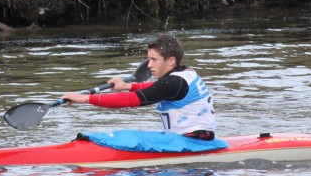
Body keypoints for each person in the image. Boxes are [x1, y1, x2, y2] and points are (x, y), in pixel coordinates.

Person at [62, 33, 216, 140]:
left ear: (171, 60)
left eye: (154, 60)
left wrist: (84, 98)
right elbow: (155, 87)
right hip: (193, 137)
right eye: (149, 59)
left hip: (193, 141)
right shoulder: (185, 73)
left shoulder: (172, 83)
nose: (149, 65)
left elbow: (130, 101)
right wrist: (126, 86)